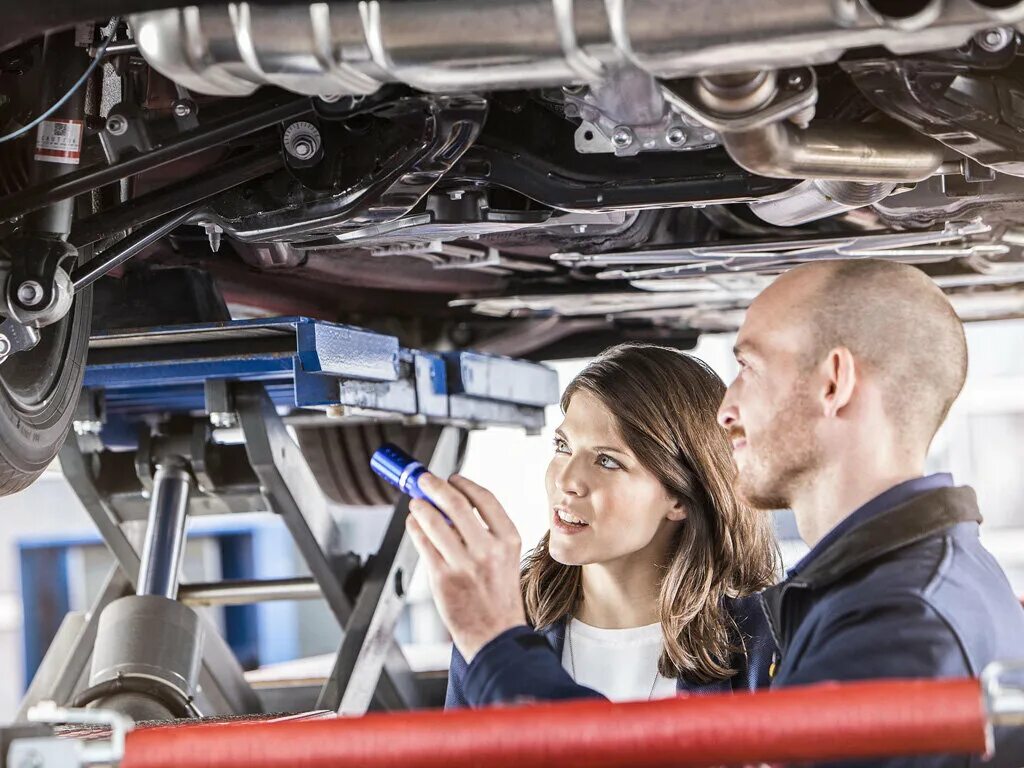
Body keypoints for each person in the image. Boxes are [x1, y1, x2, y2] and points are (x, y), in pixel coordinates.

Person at [715, 259, 1024, 767]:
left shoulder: (895, 628)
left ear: (833, 382)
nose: (725, 408)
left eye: (748, 368)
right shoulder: (923, 582)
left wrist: (532, 655)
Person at [405, 344, 780, 706]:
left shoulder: (763, 639)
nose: (567, 480)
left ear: (680, 497)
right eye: (563, 446)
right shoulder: (504, 617)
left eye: (607, 461)